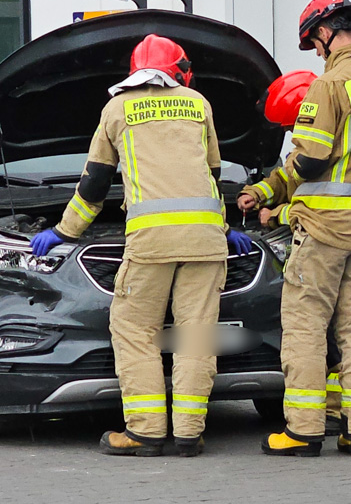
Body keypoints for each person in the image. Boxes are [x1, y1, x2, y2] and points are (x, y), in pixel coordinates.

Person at [30, 34, 253, 457]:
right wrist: (223, 228)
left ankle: (146, 431)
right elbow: (211, 173)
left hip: (151, 242)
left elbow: (95, 183)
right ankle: (189, 433)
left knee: (134, 330)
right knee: (197, 335)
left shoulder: (117, 108)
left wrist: (65, 231)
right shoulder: (198, 103)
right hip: (206, 239)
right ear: (178, 70)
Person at [261, 0, 351, 457]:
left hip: (324, 232)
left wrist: (276, 195)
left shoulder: (328, 86)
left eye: (313, 43)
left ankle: (303, 432)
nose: (315, 52)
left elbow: (312, 157)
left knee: (305, 327)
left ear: (325, 32)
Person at [237, 70, 317, 229]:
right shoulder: (304, 151)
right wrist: (255, 194)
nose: (289, 131)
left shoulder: (324, 156)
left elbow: (316, 213)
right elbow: (283, 180)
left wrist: (275, 215)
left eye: (291, 125)